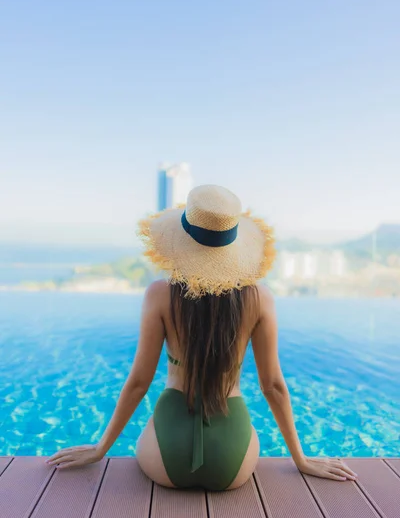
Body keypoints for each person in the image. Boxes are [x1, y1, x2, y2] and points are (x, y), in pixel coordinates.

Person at [46, 184, 357, 489]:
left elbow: (139, 382)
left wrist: (100, 448)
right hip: (233, 465)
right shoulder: (260, 299)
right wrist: (301, 459)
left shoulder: (159, 295)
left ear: (179, 242)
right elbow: (273, 386)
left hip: (164, 461)